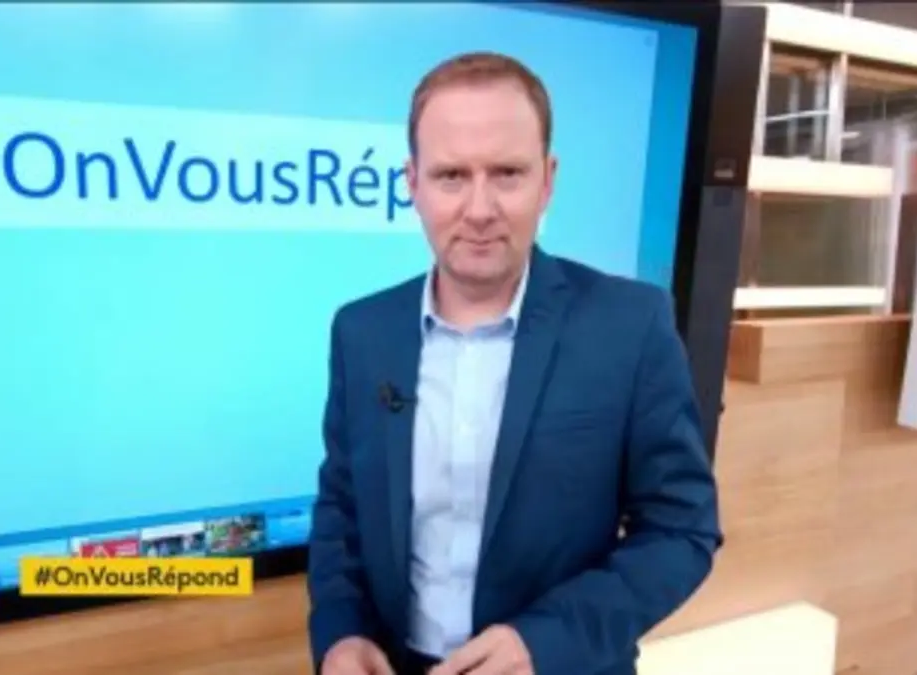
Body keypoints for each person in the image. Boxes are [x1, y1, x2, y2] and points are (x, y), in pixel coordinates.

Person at [306, 51, 722, 675]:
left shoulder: (631, 325)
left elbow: (682, 531)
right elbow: (341, 513)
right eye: (451, 176)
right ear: (412, 183)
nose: (479, 209)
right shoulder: (362, 332)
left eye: (506, 173)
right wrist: (341, 634)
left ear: (547, 180)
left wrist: (544, 644)